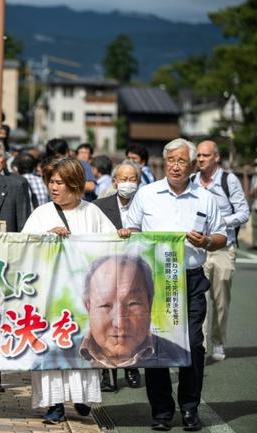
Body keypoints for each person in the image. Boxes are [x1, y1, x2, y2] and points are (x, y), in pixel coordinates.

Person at [120, 138, 227, 432]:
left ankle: (190, 408)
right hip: (154, 280)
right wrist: (127, 233)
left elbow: (222, 237)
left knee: (192, 344)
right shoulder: (147, 194)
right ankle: (162, 411)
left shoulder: (205, 198)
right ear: (164, 163)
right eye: (171, 161)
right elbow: (132, 229)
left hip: (191, 279)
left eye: (181, 161)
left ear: (192, 165)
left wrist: (205, 241)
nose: (176, 166)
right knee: (156, 347)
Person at [22, 157, 115, 424]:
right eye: (51, 181)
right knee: (52, 346)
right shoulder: (41, 214)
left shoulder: (92, 213)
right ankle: (54, 404)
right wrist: (46, 237)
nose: (54, 187)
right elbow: (24, 249)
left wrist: (120, 236)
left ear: (74, 184)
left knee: (83, 347)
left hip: (85, 298)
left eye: (60, 182)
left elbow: (110, 248)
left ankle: (82, 396)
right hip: (50, 296)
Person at [80, 255, 190, 368]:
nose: (119, 323)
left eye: (133, 303)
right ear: (88, 307)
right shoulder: (64, 353)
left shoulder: (174, 354)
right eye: (105, 305)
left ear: (149, 303)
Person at [193, 140, 249, 361]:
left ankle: (217, 341)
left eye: (205, 155)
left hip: (223, 246)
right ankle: (200, 344)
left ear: (216, 157)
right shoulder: (191, 181)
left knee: (221, 297)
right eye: (198, 156)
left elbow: (243, 212)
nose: (200, 159)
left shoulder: (228, 180)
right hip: (198, 247)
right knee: (199, 297)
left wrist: (220, 222)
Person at [93, 161, 142, 390]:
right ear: (114, 182)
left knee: (129, 318)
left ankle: (132, 367)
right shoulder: (99, 206)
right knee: (105, 321)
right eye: (123, 179)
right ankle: (106, 374)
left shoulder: (145, 205)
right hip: (106, 271)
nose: (128, 184)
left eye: (133, 179)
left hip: (135, 271)